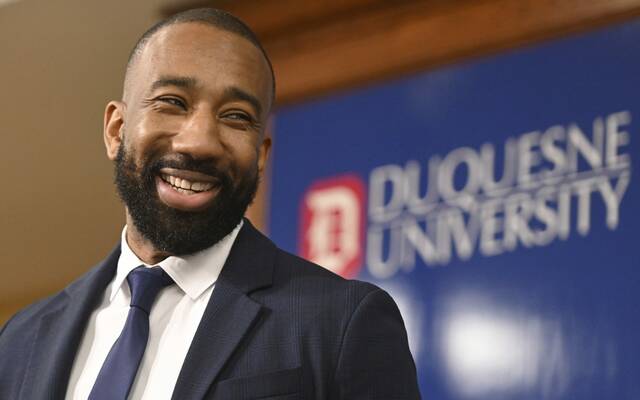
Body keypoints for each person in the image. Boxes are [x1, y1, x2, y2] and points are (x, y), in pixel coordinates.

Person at [0, 8, 420, 400]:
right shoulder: (19, 340)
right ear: (116, 130)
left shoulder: (340, 322)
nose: (199, 142)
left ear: (260, 155)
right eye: (172, 102)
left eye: (236, 116)